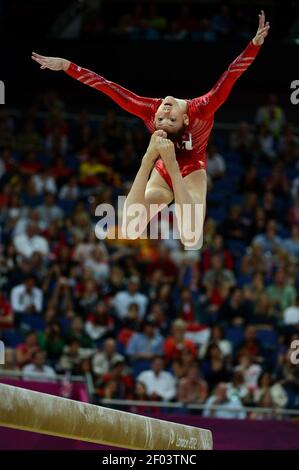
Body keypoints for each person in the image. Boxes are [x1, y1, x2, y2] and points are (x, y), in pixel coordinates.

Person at [32, 12, 270, 248]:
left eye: (164, 119)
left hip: (192, 169)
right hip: (163, 167)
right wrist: (149, 159)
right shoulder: (195, 110)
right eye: (167, 118)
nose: (164, 114)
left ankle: (168, 171)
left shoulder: (175, 109)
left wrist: (68, 66)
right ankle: (158, 165)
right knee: (129, 229)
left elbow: (106, 86)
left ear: (186, 120)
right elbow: (232, 73)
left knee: (191, 237)